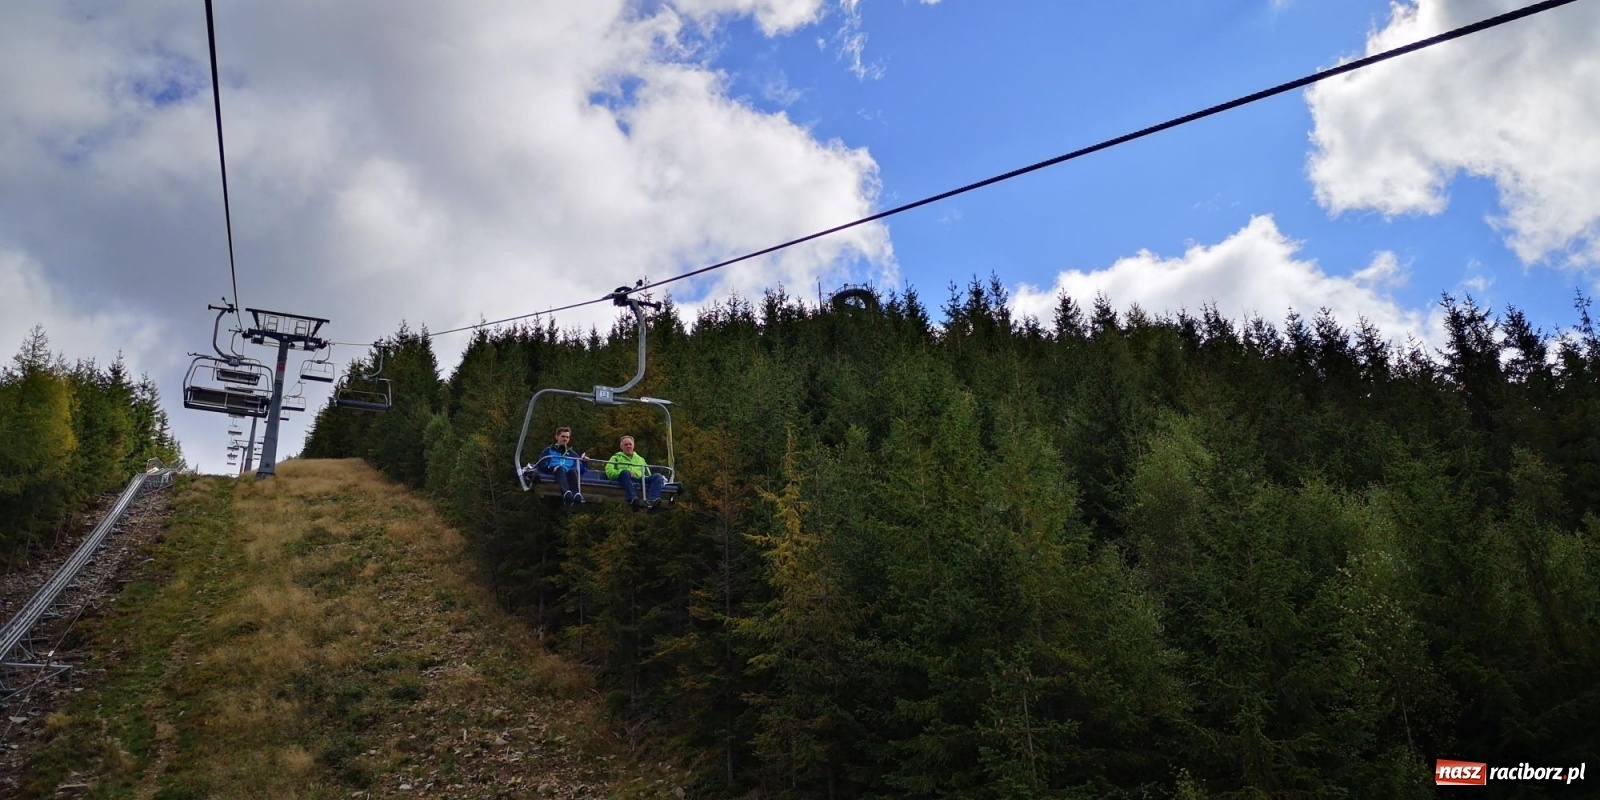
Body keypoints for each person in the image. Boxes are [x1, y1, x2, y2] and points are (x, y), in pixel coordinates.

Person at [604, 435, 665, 509]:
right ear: (621, 446)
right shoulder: (616, 458)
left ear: (633, 446)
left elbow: (647, 473)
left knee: (657, 476)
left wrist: (636, 474)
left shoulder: (640, 459)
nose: (628, 446)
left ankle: (652, 500)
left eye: (630, 444)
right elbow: (609, 471)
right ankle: (632, 498)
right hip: (625, 478)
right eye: (626, 444)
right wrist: (624, 472)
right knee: (625, 473)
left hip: (639, 478)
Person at [534, 426, 586, 503]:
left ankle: (575, 493)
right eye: (563, 436)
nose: (565, 439)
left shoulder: (573, 454)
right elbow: (541, 465)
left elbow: (580, 470)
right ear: (557, 437)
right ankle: (565, 492)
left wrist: (584, 462)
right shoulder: (549, 451)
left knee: (572, 471)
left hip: (569, 473)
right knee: (561, 468)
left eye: (567, 437)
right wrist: (551, 469)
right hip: (556, 471)